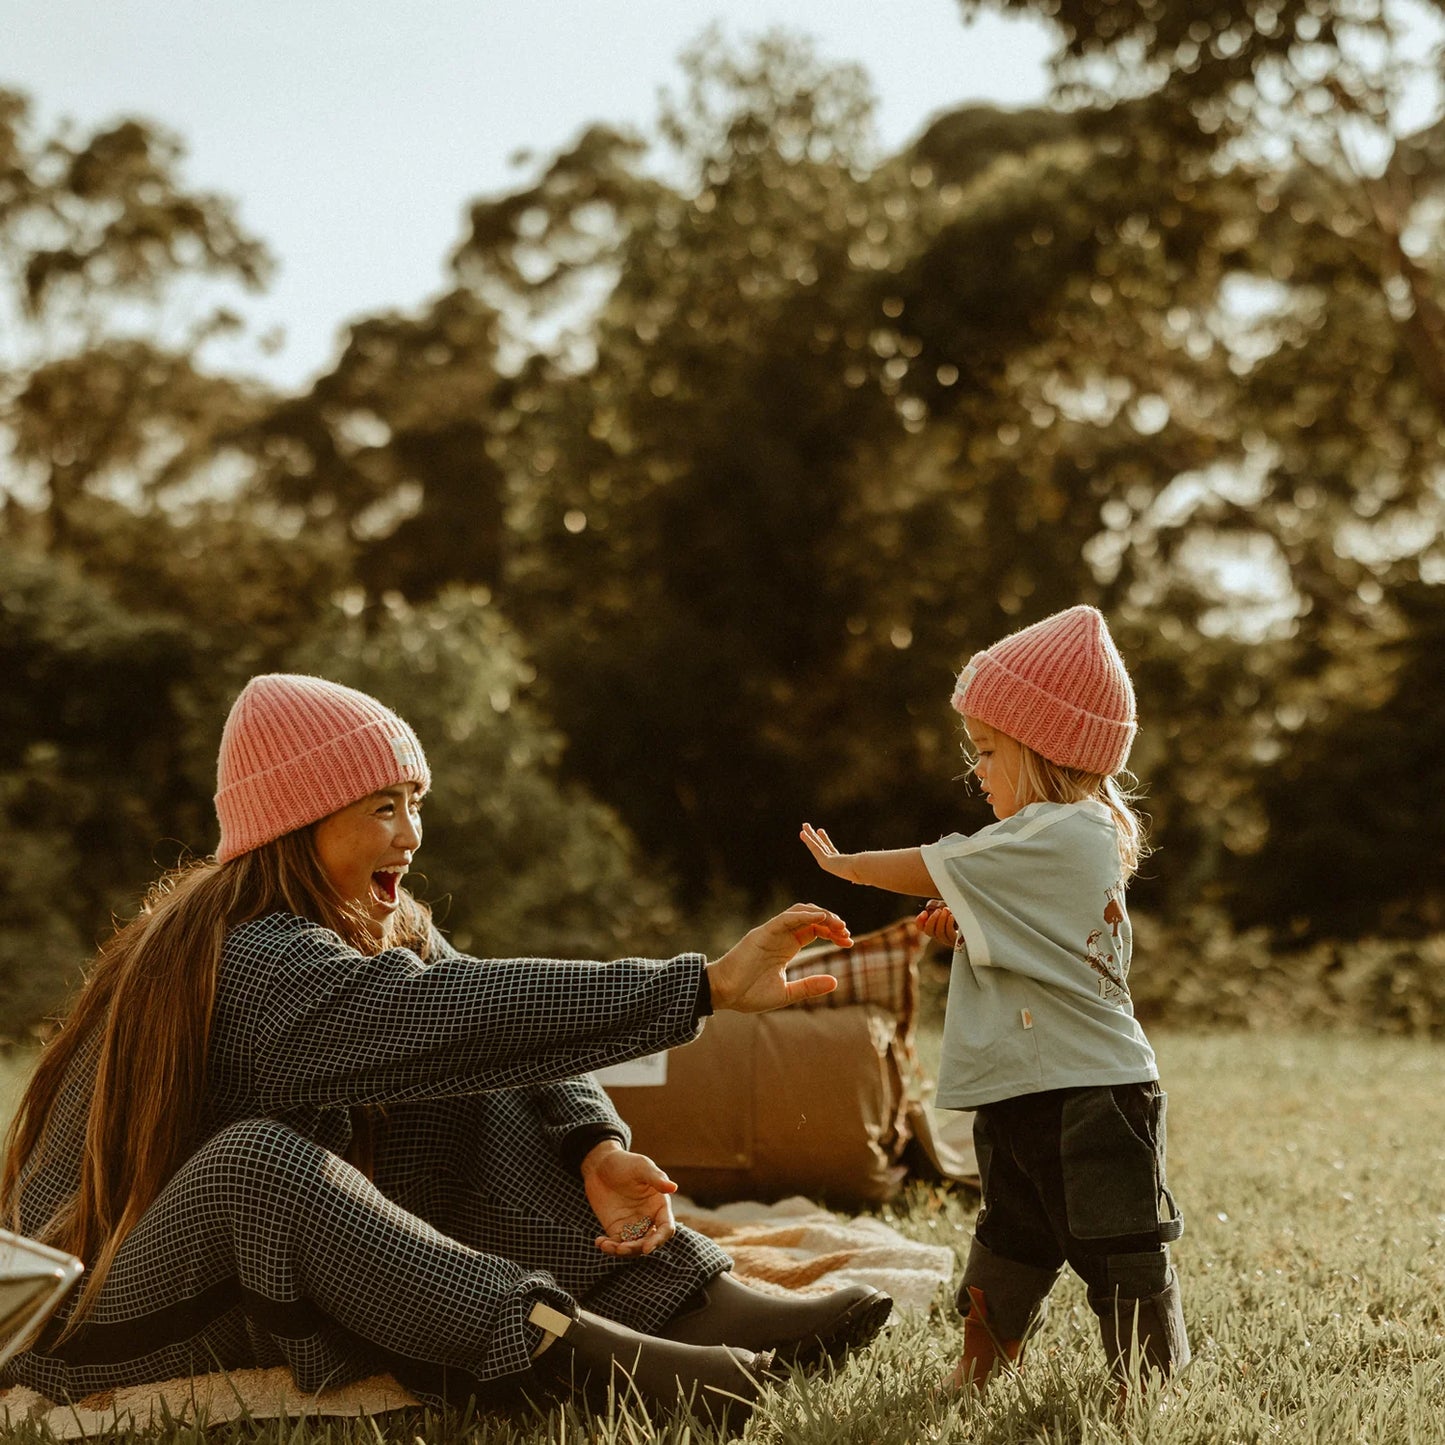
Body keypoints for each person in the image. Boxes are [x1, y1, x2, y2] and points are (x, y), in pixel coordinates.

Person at [1, 673, 893, 1427]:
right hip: (92, 1314)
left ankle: (681, 1301)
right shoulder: (248, 958)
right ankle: (573, 1354)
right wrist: (701, 986)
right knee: (258, 1163)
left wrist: (595, 1143)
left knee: (460, 1075)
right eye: (382, 809)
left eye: (414, 805)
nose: (410, 834)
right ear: (295, 825)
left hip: (233, 1277)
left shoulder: (370, 927)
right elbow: (451, 1012)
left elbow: (493, 1023)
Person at [800, 605, 1188, 1396]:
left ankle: (1147, 1379)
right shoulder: (1045, 839)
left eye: (985, 750)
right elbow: (1029, 940)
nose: (974, 771)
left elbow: (934, 861)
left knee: (1122, 1242)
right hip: (1024, 1085)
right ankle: (984, 1360)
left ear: (1044, 750)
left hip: (1091, 1090)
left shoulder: (1063, 830)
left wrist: (849, 867)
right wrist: (965, 932)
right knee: (1010, 1237)